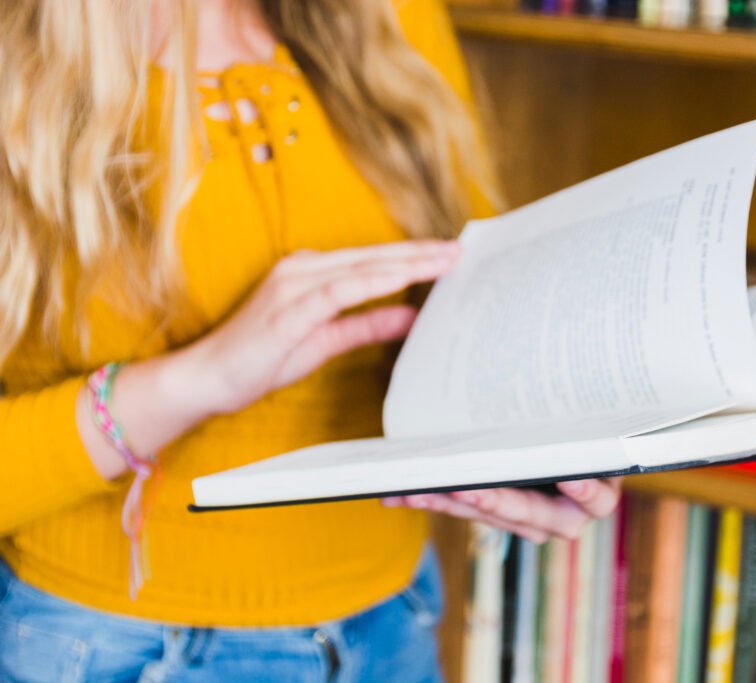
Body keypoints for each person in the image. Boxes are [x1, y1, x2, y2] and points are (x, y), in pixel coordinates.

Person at [0, 0, 621, 680]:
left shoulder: (388, 15)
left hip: (392, 621)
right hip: (115, 645)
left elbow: (460, 305)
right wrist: (196, 379)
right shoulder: (18, 54)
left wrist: (546, 447)